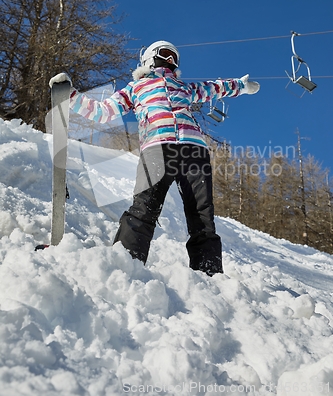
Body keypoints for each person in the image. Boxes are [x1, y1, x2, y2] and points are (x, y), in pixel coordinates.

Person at [50, 40, 259, 275]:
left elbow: (214, 88)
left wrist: (240, 85)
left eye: (175, 58)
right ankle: (126, 264)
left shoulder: (184, 88)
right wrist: (70, 95)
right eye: (166, 55)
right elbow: (103, 111)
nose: (171, 61)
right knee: (144, 207)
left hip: (194, 150)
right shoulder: (136, 88)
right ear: (149, 58)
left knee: (202, 215)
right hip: (157, 149)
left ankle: (208, 271)